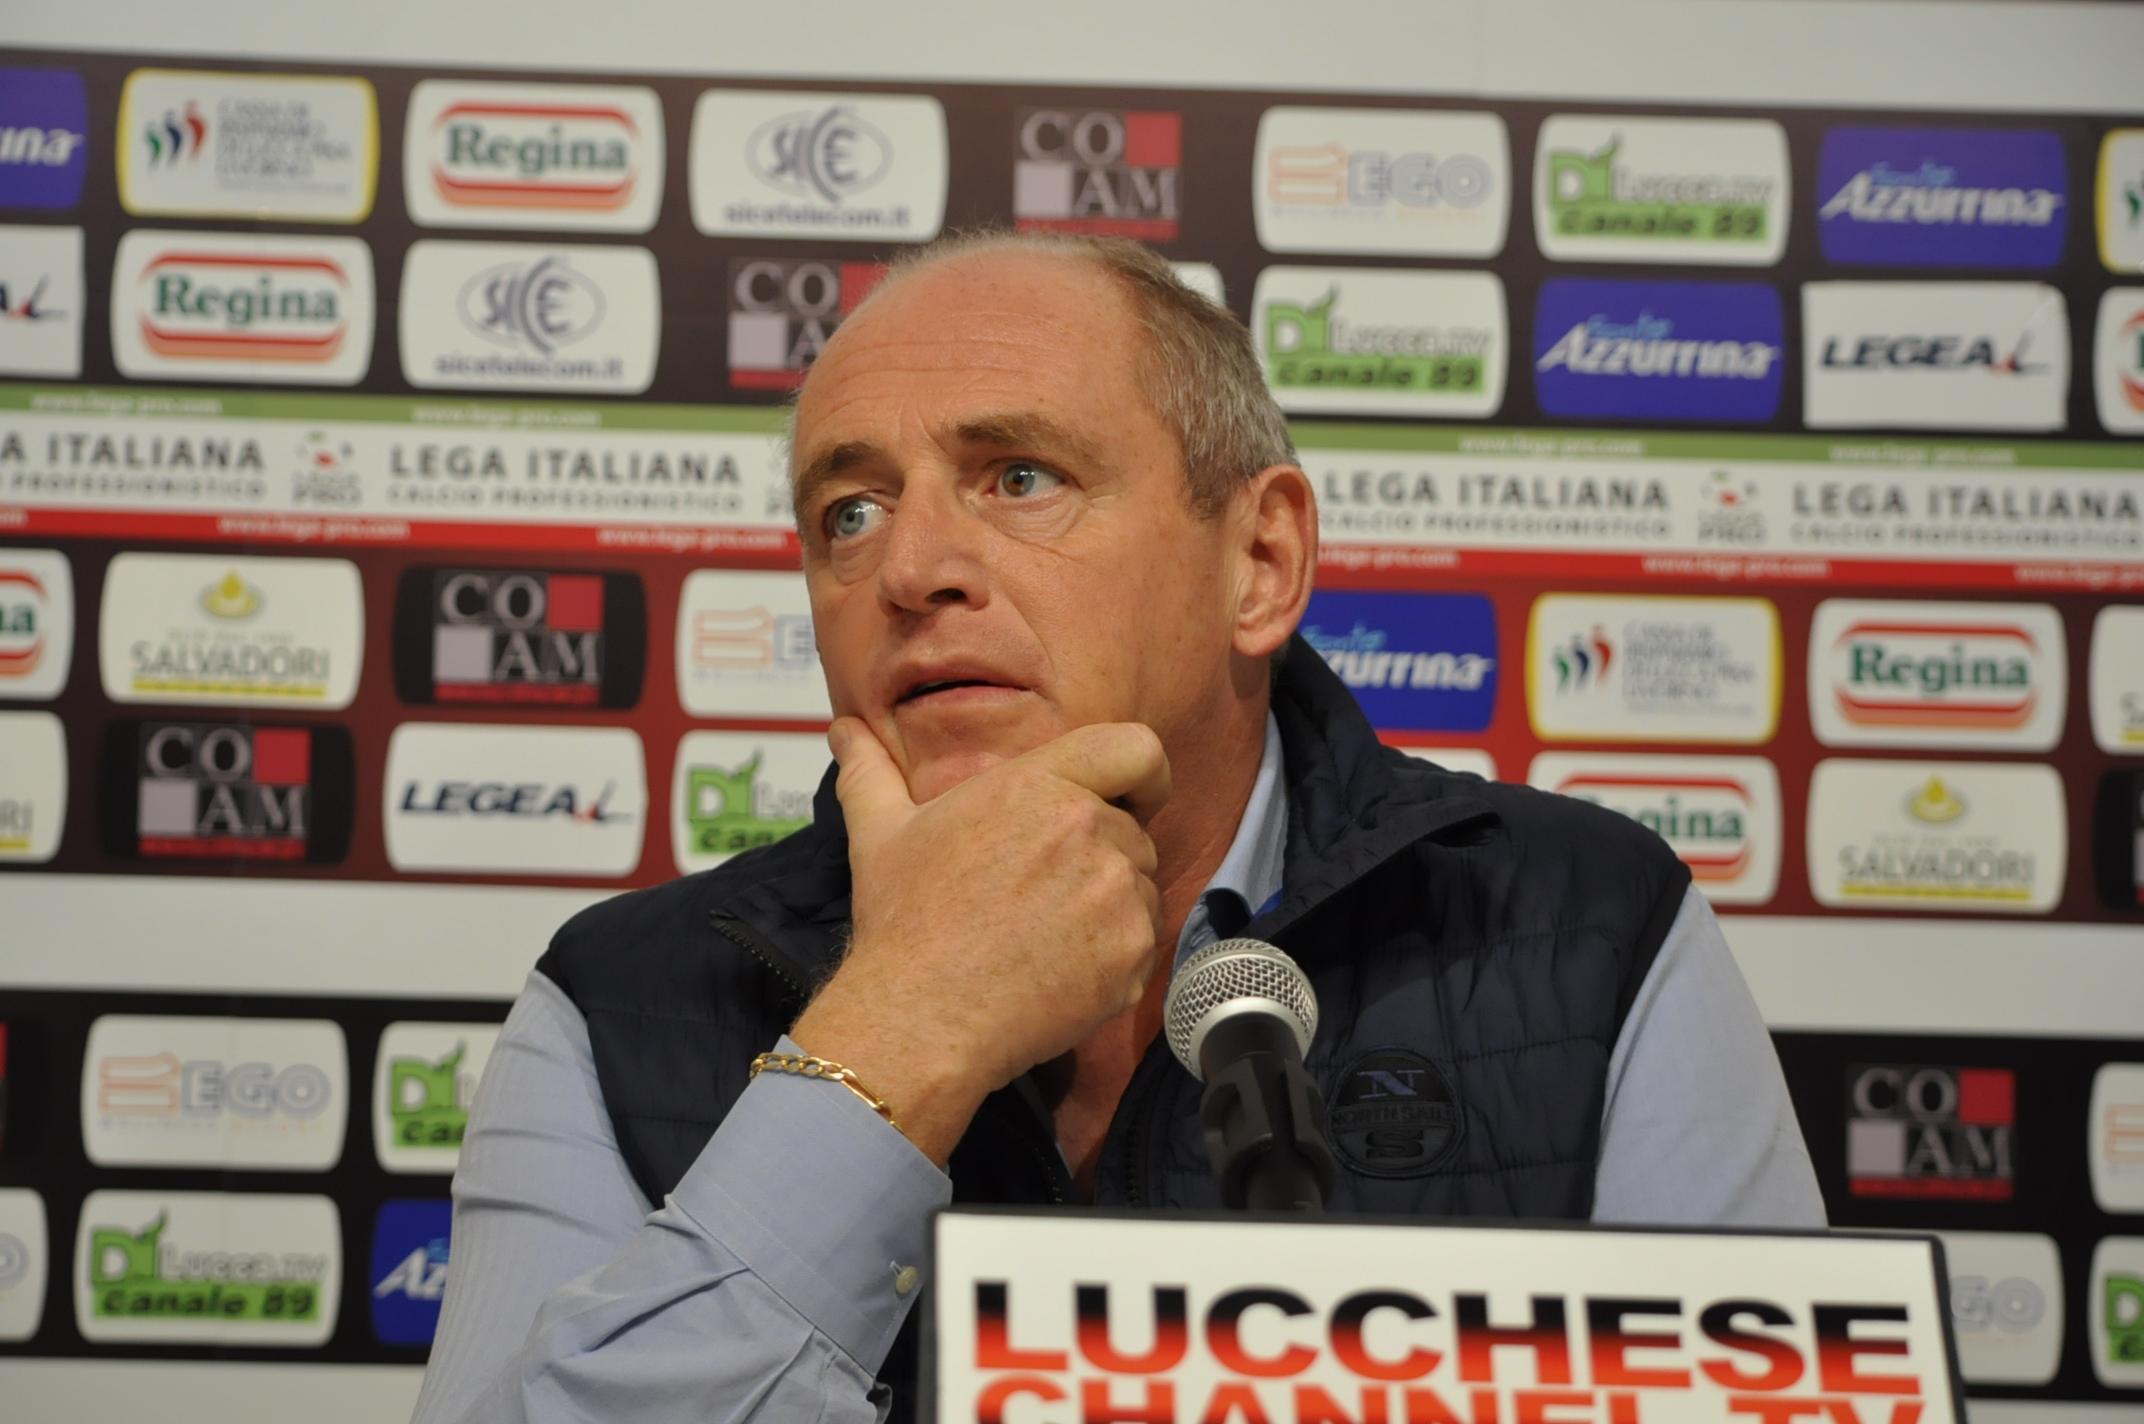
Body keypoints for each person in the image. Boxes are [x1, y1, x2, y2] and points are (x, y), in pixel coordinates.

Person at [411, 232, 1822, 1424]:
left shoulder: (1585, 925)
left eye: (1020, 478)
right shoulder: (615, 1001)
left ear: (1258, 562)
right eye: (850, 511)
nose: (909, 567)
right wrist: (900, 1033)